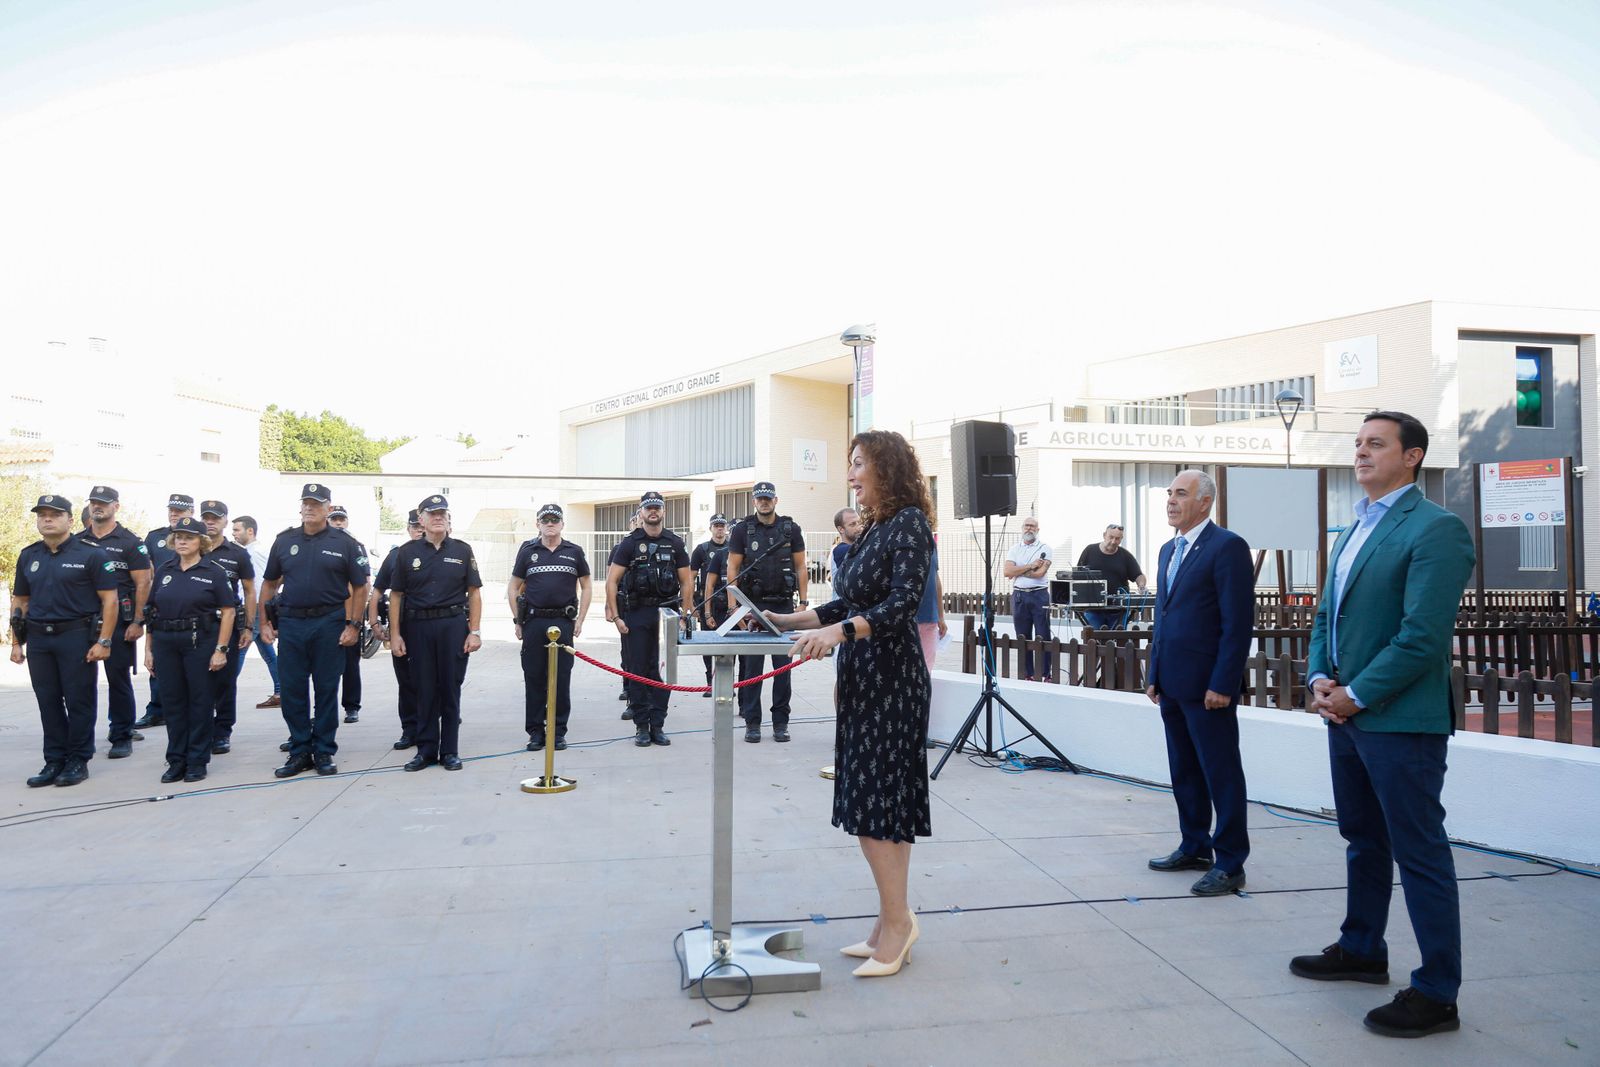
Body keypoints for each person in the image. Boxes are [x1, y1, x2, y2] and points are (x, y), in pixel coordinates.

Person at [1292, 411, 1475, 1039]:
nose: (1362, 453)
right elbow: (1325, 618)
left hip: (1399, 721)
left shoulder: (1436, 529)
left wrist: (1357, 695)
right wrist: (1320, 679)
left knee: (1419, 852)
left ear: (1413, 456)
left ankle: (1436, 990)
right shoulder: (1354, 528)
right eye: (1359, 444)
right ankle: (1363, 948)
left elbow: (1422, 637)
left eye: (1377, 444)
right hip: (1344, 714)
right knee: (1363, 839)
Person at [768, 431, 934, 978]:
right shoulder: (876, 528)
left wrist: (838, 634)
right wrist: (791, 621)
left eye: (859, 464)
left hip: (893, 681)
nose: (852, 474)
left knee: (879, 811)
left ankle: (898, 925)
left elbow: (900, 604)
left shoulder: (908, 522)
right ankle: (891, 921)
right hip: (865, 676)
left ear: (885, 467)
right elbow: (850, 599)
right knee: (875, 807)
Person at [1145, 469, 1254, 896]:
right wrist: (1153, 674)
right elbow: (1163, 614)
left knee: (1221, 773)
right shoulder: (1168, 549)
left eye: (1181, 494)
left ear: (1205, 502)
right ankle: (1195, 845)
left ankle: (1230, 862)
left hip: (1209, 688)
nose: (1171, 501)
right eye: (1169, 493)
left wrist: (1223, 682)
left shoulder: (1227, 547)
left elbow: (1237, 623)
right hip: (1171, 683)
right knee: (1184, 770)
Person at [257, 482, 370, 778]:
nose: (310, 508)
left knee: (326, 689)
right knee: (293, 690)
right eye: (306, 503)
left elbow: (360, 586)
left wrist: (354, 625)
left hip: (328, 622)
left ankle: (323, 750)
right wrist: (264, 622)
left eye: (317, 504)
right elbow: (269, 584)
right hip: (292, 624)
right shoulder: (284, 542)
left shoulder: (345, 543)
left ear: (328, 509)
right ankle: (299, 751)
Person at [11, 494, 119, 787]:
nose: (47, 519)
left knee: (78, 699)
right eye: (42, 514)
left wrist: (104, 641)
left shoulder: (91, 554)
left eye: (55, 514)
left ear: (70, 520)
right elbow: (21, 600)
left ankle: (78, 759)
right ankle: (54, 760)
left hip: (76, 636)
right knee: (48, 701)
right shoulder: (29, 555)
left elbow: (110, 601)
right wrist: (16, 643)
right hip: (39, 639)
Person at [390, 495, 483, 771]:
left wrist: (474, 631)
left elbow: (474, 593)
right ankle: (426, 750)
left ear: (448, 518)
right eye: (432, 513)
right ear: (421, 519)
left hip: (452, 626)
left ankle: (450, 751)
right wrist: (395, 635)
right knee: (424, 689)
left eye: (442, 512)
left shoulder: (462, 550)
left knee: (450, 689)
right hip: (417, 628)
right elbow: (396, 596)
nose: (438, 517)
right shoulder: (407, 553)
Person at [143, 517, 235, 784]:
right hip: (165, 642)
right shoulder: (164, 570)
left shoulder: (213, 571)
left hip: (200, 641)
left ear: (201, 541)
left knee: (200, 701)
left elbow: (228, 612)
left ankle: (196, 760)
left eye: (189, 537)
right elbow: (151, 611)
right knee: (173, 703)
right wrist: (149, 650)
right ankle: (176, 759)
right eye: (178, 537)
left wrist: (221, 649)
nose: (182, 541)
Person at [606, 491, 693, 747]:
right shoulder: (629, 543)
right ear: (641, 512)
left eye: (657, 507)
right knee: (637, 671)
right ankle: (641, 726)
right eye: (648, 508)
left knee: (662, 672)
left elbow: (687, 582)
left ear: (663, 511)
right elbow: (612, 581)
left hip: (666, 614)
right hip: (637, 614)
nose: (653, 511)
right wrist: (617, 617)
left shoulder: (675, 542)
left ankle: (658, 725)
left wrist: (685, 615)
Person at [726, 481, 808, 743]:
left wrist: (803, 603)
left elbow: (801, 567)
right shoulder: (742, 530)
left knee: (782, 669)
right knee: (752, 669)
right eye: (760, 498)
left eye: (768, 498)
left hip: (783, 606)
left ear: (775, 500)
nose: (764, 502)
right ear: (754, 502)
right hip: (752, 607)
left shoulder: (790, 529)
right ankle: (752, 723)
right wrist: (733, 607)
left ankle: (780, 722)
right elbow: (732, 569)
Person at [76, 485, 152, 759]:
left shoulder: (130, 542)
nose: (98, 507)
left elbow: (143, 583)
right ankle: (81, 739)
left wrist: (138, 622)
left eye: (104, 503)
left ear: (116, 507)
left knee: (118, 680)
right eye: (94, 502)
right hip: (83, 621)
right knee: (81, 683)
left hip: (120, 621)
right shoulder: (78, 541)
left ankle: (122, 734)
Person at [510, 503, 591, 751]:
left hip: (562, 623)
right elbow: (513, 587)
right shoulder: (527, 552)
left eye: (555, 519)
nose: (550, 523)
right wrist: (518, 620)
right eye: (545, 520)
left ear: (562, 524)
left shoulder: (574, 551)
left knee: (560, 678)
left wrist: (580, 620)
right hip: (534, 623)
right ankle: (535, 732)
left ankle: (557, 732)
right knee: (534, 677)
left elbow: (586, 586)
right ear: (538, 524)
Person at [198, 501, 255, 755]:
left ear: (225, 522)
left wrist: (248, 627)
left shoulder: (237, 553)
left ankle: (222, 731)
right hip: (195, 626)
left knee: (224, 681)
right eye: (206, 518)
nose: (210, 522)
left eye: (216, 518)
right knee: (197, 682)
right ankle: (200, 730)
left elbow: (249, 590)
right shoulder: (190, 548)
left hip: (227, 624)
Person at [134, 492, 194, 730]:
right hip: (160, 606)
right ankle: (157, 709)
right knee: (156, 660)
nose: (173, 514)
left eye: (179, 510)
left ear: (190, 512)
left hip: (190, 607)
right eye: (171, 509)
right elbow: (145, 572)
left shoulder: (198, 537)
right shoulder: (155, 537)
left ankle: (186, 709)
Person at [369, 509, 424, 749]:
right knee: (406, 681)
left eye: (421, 526)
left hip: (431, 626)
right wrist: (374, 623)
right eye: (414, 527)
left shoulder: (441, 553)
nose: (419, 531)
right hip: (402, 626)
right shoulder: (396, 556)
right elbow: (378, 590)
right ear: (409, 528)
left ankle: (430, 727)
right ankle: (409, 730)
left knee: (433, 681)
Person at [231, 514, 281, 708]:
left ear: (249, 531)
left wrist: (262, 605)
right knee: (268, 653)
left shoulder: (254, 552)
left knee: (241, 648)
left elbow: (263, 582)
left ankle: (221, 690)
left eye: (237, 530)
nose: (233, 534)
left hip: (257, 607)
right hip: (259, 606)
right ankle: (281, 691)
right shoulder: (256, 550)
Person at [328, 504, 369, 724]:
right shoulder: (319, 545)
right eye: (334, 519)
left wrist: (357, 617)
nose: (338, 523)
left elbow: (365, 582)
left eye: (341, 519)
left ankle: (351, 706)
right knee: (324, 668)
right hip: (327, 615)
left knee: (350, 665)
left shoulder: (356, 547)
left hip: (348, 616)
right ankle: (325, 708)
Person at [1003, 517, 1053, 681]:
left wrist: (1017, 571)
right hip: (1019, 596)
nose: (1029, 529)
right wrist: (1030, 565)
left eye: (1033, 526)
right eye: (1026, 526)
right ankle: (1027, 674)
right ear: (1022, 528)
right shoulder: (1014, 549)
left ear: (1038, 530)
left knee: (1043, 634)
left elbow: (1040, 574)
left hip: (1039, 594)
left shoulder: (1045, 548)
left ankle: (1045, 674)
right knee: (1022, 635)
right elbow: (1006, 572)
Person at [1077, 523, 1148, 630]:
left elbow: (1138, 575)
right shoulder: (1090, 551)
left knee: (1119, 642)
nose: (1114, 541)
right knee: (1093, 642)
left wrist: (1141, 586)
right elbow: (1078, 574)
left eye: (1117, 539)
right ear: (1104, 535)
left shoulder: (1125, 555)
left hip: (1118, 610)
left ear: (1121, 539)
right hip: (1093, 609)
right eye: (1111, 537)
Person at [690, 513, 732, 692]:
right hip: (709, 604)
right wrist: (692, 605)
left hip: (729, 604)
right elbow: (690, 579)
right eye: (716, 525)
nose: (719, 528)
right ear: (711, 528)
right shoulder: (702, 549)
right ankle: (710, 682)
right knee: (708, 645)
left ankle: (728, 684)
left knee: (730, 646)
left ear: (726, 529)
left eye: (722, 525)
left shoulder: (734, 550)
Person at [915, 543, 946, 669]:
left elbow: (936, 578)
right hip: (908, 619)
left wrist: (941, 616)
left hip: (930, 617)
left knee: (927, 668)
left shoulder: (931, 544)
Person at [831, 507, 862, 578]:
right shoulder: (841, 550)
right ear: (841, 529)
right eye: (853, 524)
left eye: (859, 522)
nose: (859, 527)